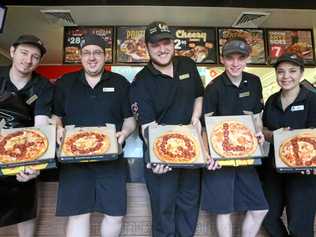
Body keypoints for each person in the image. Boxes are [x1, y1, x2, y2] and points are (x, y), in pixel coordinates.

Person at [129, 21, 217, 237]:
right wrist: (159, 155)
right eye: (155, 44)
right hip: (162, 160)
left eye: (166, 42)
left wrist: (196, 118)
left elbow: (198, 95)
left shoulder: (187, 64)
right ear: (147, 48)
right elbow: (148, 127)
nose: (162, 49)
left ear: (173, 44)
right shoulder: (141, 82)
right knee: (163, 212)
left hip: (192, 154)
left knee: (188, 209)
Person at [53, 33, 136, 237]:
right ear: (80, 57)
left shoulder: (120, 82)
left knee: (115, 214)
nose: (92, 57)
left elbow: (130, 119)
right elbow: (55, 116)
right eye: (87, 53)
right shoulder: (65, 82)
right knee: (79, 214)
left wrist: (124, 133)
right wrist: (58, 128)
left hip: (112, 159)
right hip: (74, 161)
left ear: (105, 56)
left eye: (97, 52)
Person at [202, 38, 268, 237]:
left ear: (248, 59)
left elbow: (256, 117)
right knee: (225, 211)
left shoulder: (254, 82)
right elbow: (205, 126)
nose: (236, 63)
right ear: (222, 59)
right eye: (230, 58)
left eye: (241, 58)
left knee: (260, 208)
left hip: (246, 155)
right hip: (220, 157)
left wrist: (259, 133)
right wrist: (208, 155)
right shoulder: (213, 87)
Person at [0, 35, 53, 237]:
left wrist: (34, 163)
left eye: (35, 56)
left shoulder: (43, 87)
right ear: (13, 52)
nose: (28, 59)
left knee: (25, 209)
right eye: (24, 53)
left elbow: (40, 126)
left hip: (24, 151)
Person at [259, 53, 316, 237]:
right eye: (281, 72)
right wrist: (273, 135)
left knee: (299, 225)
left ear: (301, 73)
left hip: (302, 171)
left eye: (292, 71)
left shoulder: (312, 100)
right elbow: (265, 131)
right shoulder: (271, 100)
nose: (286, 76)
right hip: (273, 170)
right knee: (267, 216)